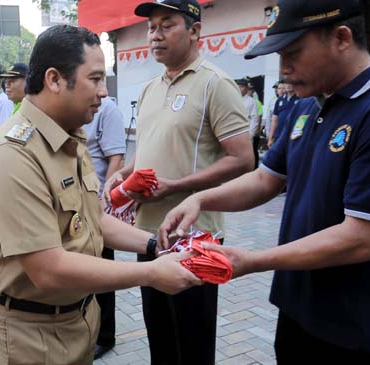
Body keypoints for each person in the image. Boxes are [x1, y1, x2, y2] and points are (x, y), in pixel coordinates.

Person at [160, 0, 370, 363]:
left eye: (293, 54)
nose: (284, 70)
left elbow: (364, 239)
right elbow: (266, 179)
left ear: (342, 38)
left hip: (358, 327)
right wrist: (201, 200)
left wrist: (252, 260)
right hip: (299, 308)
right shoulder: (307, 104)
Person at [0, 24, 200, 365]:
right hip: (30, 330)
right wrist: (151, 273)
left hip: (75, 317)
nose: (104, 92)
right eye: (94, 79)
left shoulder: (70, 137)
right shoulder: (13, 155)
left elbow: (92, 217)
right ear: (54, 80)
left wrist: (155, 245)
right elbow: (48, 270)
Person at [102, 1, 254, 364]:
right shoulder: (150, 87)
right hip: (147, 234)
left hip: (194, 237)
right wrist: (126, 173)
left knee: (193, 341)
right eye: (151, 27)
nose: (155, 35)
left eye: (166, 25)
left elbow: (244, 158)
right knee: (161, 338)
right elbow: (150, 146)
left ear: (195, 31)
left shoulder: (215, 84)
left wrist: (178, 185)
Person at [81, 96, 126, 359]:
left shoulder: (107, 108)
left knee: (102, 270)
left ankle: (105, 335)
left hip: (98, 203)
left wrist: (104, 198)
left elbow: (116, 157)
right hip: (75, 203)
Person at [236, 78, 260, 169]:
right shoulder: (233, 99)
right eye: (238, 86)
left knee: (246, 156)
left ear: (246, 88)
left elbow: (254, 118)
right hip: (234, 132)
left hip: (246, 132)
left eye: (242, 87)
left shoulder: (251, 101)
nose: (240, 88)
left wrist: (251, 134)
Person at [268, 80, 298, 148]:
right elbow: (274, 120)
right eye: (286, 83)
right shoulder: (279, 100)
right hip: (279, 136)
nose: (288, 85)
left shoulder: (301, 99)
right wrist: (270, 137)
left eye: (290, 82)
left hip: (293, 136)